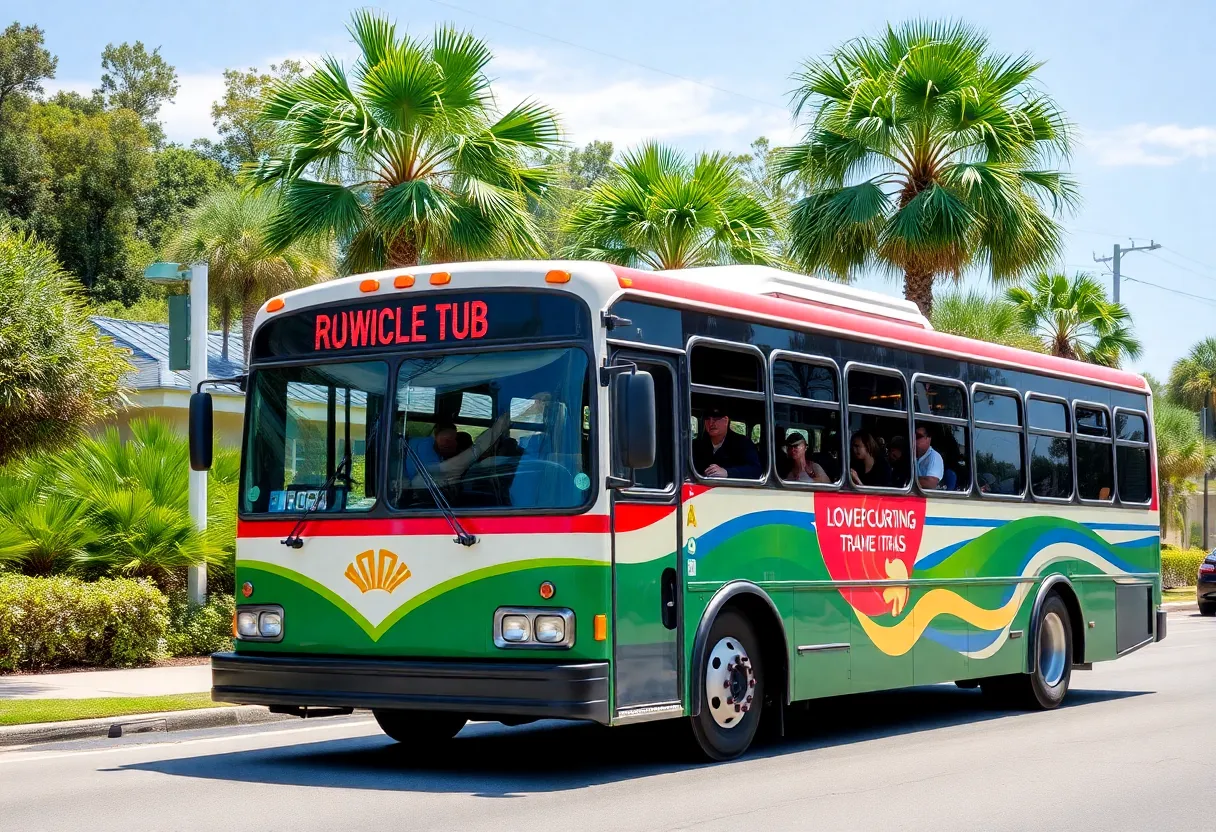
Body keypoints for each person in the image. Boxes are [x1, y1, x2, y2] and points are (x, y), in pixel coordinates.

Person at [693, 400, 762, 479]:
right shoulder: (697, 445)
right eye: (708, 419)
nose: (711, 423)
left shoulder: (742, 443)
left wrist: (727, 472)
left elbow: (756, 470)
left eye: (716, 419)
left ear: (726, 420)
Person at [914, 422, 944, 490]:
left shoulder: (935, 457)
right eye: (913, 436)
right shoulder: (913, 456)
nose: (914, 439)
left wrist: (910, 479)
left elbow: (930, 483)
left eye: (918, 436)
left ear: (928, 438)